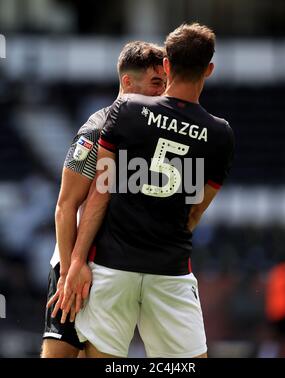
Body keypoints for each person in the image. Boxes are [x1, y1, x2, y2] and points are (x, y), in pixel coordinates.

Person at [62, 23, 235, 358]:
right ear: (209, 70)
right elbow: (196, 212)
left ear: (167, 66)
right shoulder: (221, 134)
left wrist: (77, 261)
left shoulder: (126, 111)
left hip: (112, 266)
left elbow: (101, 192)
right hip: (170, 269)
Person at [41, 41, 166, 358]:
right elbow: (65, 206)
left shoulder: (155, 133)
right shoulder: (94, 134)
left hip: (118, 269)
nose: (163, 91)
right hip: (77, 265)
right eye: (155, 83)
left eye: (165, 83)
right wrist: (70, 271)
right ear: (127, 82)